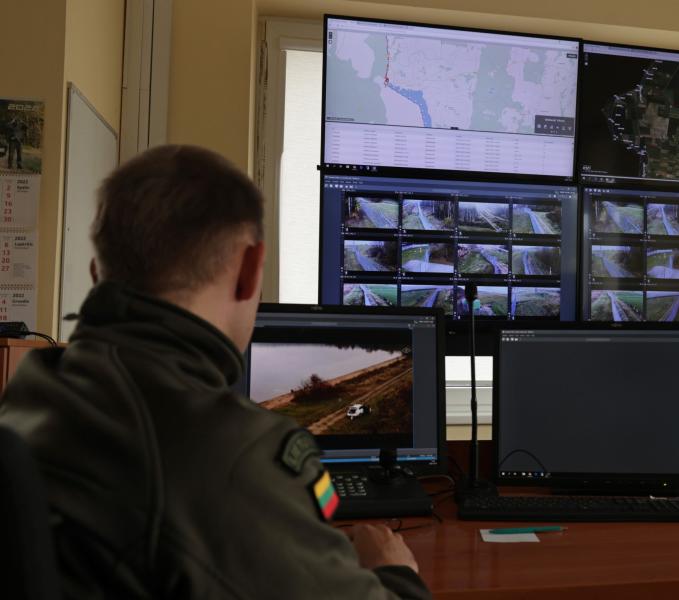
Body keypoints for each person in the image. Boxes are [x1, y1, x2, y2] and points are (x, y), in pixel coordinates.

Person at [0, 145, 431, 599]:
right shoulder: (234, 455)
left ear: (96, 275)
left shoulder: (34, 390)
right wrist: (396, 571)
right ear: (249, 269)